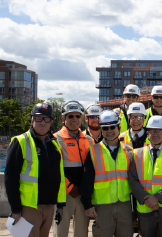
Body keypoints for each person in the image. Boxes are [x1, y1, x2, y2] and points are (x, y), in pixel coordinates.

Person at [4, 103, 66, 237]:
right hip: (29, 206)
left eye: (46, 119)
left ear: (51, 122)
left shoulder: (54, 144)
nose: (42, 122)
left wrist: (60, 205)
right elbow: (10, 178)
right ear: (32, 120)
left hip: (49, 206)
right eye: (39, 118)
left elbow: (59, 176)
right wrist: (15, 208)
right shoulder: (20, 142)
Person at [80, 110, 133, 237]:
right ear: (101, 130)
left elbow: (135, 180)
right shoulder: (93, 151)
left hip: (124, 204)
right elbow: (86, 180)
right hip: (102, 207)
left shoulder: (129, 151)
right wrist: (87, 205)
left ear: (119, 128)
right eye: (105, 128)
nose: (109, 130)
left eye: (112, 127)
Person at [128, 115, 162, 237]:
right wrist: (147, 200)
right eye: (153, 131)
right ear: (147, 133)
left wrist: (157, 198)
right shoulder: (136, 154)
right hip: (145, 208)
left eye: (159, 131)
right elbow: (133, 179)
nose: (156, 134)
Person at [55, 101, 94, 237]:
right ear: (63, 119)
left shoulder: (89, 140)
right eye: (70, 116)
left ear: (82, 118)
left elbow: (92, 169)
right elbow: (54, 170)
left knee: (82, 233)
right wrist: (70, 187)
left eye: (77, 116)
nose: (74, 119)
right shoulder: (55, 139)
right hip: (64, 195)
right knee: (61, 232)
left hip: (83, 195)